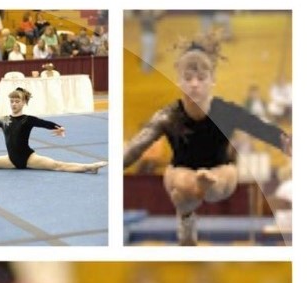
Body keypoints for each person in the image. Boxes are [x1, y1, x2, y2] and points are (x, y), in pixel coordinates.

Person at [123, 35, 292, 245]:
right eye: (188, 78)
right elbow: (136, 147)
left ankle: (191, 202)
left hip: (220, 173)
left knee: (222, 177)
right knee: (180, 180)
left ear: (212, 80)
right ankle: (189, 210)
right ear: (179, 81)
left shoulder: (226, 112)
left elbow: (259, 128)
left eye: (201, 78)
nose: (194, 84)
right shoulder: (168, 116)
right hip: (181, 173)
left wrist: (285, 142)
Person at [0, 88, 107, 173]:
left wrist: (59, 127)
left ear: (23, 103)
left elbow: (44, 123)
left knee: (58, 165)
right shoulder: (3, 120)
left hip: (28, 158)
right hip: (11, 160)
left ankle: (89, 167)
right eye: (11, 101)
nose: (13, 104)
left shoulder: (28, 119)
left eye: (17, 101)